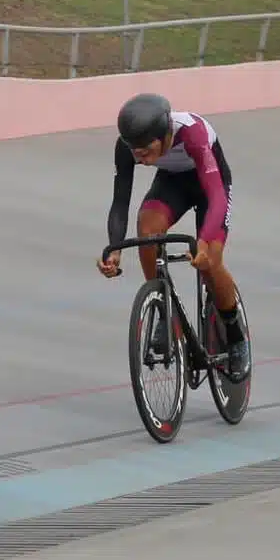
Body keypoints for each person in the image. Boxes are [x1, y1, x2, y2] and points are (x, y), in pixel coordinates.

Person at [97, 92, 250, 381]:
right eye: (133, 150)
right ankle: (162, 305)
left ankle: (235, 334)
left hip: (210, 185)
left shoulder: (193, 134)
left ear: (165, 135)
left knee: (210, 262)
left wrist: (204, 241)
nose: (138, 156)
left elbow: (216, 195)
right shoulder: (128, 146)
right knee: (147, 228)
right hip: (173, 184)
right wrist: (114, 248)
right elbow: (120, 201)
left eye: (144, 149)